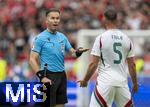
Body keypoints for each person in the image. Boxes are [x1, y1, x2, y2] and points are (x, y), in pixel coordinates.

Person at [78, 7, 138, 107]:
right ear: (117, 20)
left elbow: (93, 64)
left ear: (104, 19)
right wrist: (135, 83)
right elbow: (132, 65)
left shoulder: (101, 38)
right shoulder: (127, 39)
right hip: (122, 84)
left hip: (105, 83)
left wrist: (85, 80)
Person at [29, 8, 89, 107]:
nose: (55, 20)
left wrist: (78, 52)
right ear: (46, 20)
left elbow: (72, 53)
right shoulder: (40, 38)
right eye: (52, 18)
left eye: (57, 18)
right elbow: (32, 59)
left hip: (61, 75)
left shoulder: (62, 37)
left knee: (61, 105)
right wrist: (41, 77)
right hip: (48, 75)